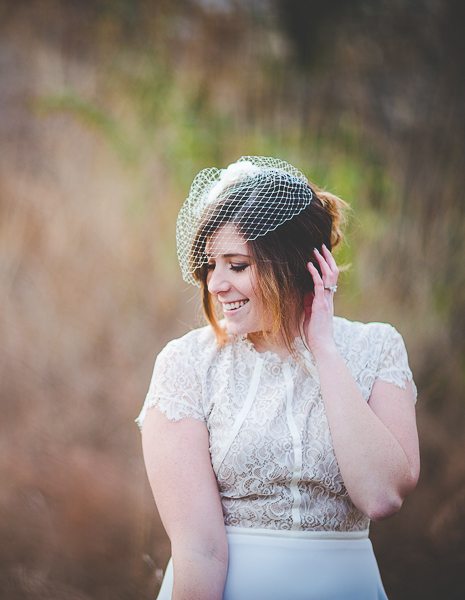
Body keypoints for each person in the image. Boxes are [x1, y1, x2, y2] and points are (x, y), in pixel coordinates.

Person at [137, 157, 419, 600]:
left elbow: (383, 497)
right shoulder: (186, 364)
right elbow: (199, 551)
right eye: (212, 264)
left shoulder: (376, 348)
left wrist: (323, 349)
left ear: (293, 266)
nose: (215, 284)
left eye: (237, 265)